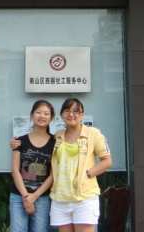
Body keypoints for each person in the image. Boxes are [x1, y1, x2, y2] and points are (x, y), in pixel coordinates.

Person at [14, 98, 112, 232]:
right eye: (67, 111)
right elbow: (38, 144)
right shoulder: (58, 136)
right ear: (61, 115)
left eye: (76, 111)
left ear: (82, 115)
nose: (71, 114)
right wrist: (15, 143)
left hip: (84, 197)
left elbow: (107, 161)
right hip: (60, 198)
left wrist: (87, 174)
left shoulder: (93, 134)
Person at [10, 100, 56, 232]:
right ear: (31, 115)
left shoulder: (55, 143)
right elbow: (15, 171)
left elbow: (53, 175)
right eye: (38, 112)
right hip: (19, 196)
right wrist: (26, 197)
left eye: (46, 113)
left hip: (42, 197)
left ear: (51, 118)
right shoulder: (19, 141)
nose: (42, 116)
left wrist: (34, 196)